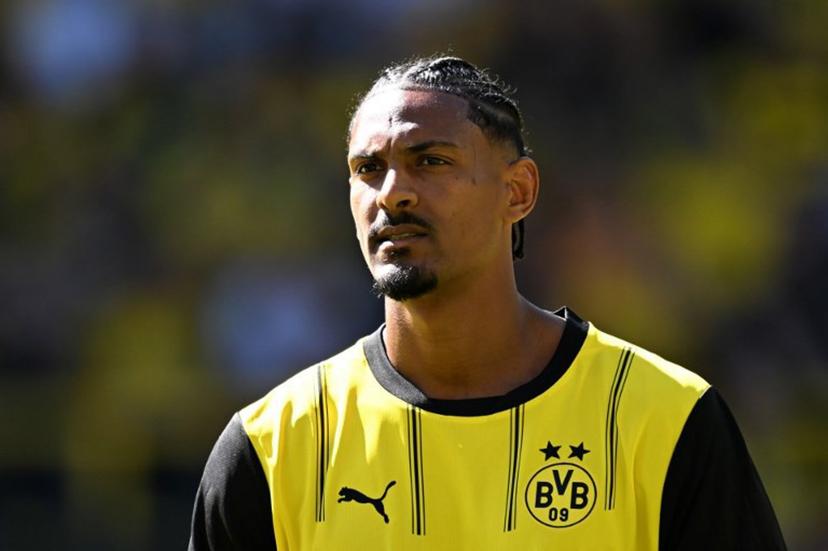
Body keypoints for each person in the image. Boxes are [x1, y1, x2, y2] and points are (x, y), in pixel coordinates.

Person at [188, 56, 786, 550]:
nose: (392, 194)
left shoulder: (665, 418)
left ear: (518, 191)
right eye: (368, 169)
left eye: (431, 161)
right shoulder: (272, 447)